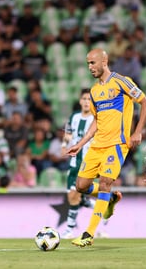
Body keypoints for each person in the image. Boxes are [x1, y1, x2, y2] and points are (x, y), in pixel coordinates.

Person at [66, 48, 146, 247]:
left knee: (105, 182)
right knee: (81, 186)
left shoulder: (122, 81)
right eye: (88, 64)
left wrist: (137, 132)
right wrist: (80, 144)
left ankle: (88, 233)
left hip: (117, 144)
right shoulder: (94, 92)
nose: (90, 67)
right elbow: (96, 121)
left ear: (104, 61)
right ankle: (111, 198)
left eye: (93, 63)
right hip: (97, 145)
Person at [61, 88, 96, 239]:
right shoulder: (74, 117)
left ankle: (69, 230)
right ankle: (91, 204)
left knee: (74, 194)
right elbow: (68, 134)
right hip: (74, 161)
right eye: (84, 99)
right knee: (72, 196)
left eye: (89, 99)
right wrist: (64, 146)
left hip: (88, 161)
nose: (87, 102)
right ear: (80, 101)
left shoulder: (95, 118)